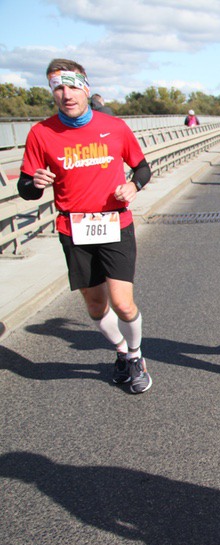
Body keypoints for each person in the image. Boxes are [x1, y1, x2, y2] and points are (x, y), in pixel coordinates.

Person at [18, 58, 153, 393]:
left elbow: (142, 168)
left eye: (73, 86)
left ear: (86, 88)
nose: (67, 94)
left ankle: (136, 356)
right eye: (58, 88)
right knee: (95, 306)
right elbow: (25, 188)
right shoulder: (41, 133)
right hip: (74, 229)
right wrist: (35, 183)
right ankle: (121, 352)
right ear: (52, 92)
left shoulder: (115, 127)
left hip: (115, 224)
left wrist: (133, 186)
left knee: (123, 303)